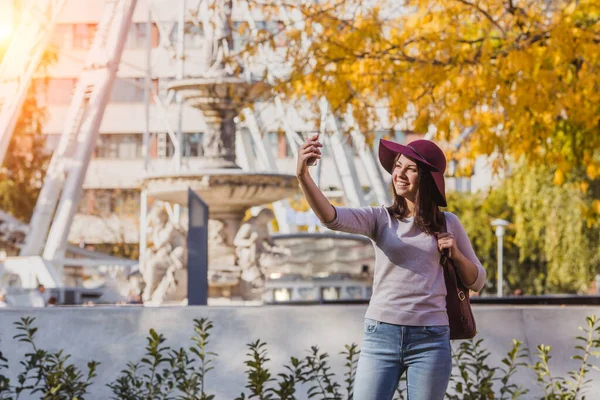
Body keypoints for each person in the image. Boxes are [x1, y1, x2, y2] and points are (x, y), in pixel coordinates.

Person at [296, 133, 486, 400]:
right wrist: (303, 176)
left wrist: (455, 254)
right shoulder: (380, 218)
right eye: (398, 166)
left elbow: (477, 281)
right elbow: (332, 217)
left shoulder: (448, 223)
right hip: (381, 334)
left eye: (411, 169)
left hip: (430, 339)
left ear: (428, 179)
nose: (400, 174)